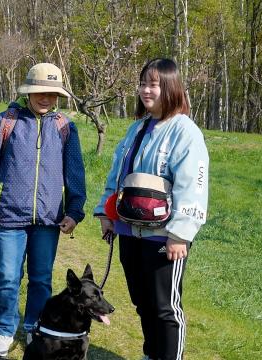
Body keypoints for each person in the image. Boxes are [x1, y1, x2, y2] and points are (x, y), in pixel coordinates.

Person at [94, 58, 209, 360]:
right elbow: (117, 174)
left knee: (164, 307)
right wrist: (107, 213)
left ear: (170, 87)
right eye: (143, 83)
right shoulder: (137, 129)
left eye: (154, 84)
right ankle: (152, 354)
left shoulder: (186, 133)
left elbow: (193, 187)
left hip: (163, 237)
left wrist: (181, 234)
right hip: (130, 231)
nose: (146, 90)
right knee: (142, 302)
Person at [0, 63, 86, 357]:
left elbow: (75, 173)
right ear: (28, 92)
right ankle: (4, 329)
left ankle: (35, 327)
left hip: (49, 221)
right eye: (40, 92)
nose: (46, 98)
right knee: (8, 277)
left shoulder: (65, 127)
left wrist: (74, 211)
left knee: (41, 279)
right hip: (9, 218)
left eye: (52, 93)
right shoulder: (4, 122)